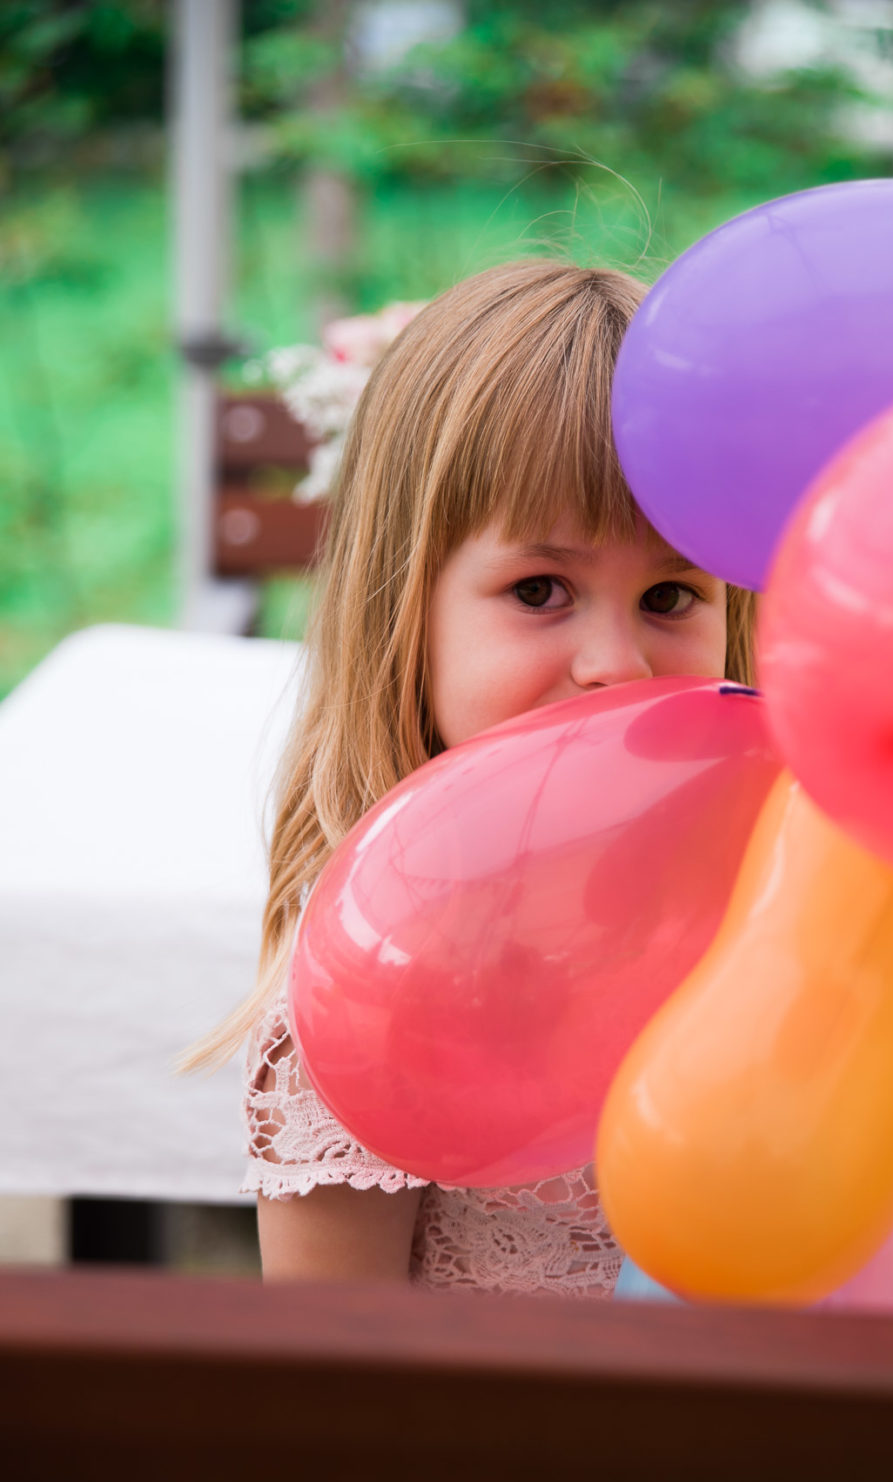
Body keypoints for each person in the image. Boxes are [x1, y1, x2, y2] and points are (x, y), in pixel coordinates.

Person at [190, 260, 755, 1293]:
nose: (615, 665)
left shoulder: (770, 898)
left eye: (672, 596)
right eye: (541, 589)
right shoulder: (372, 991)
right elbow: (336, 1389)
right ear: (404, 611)